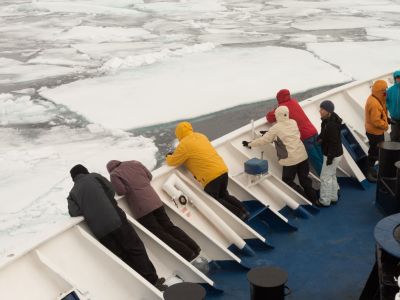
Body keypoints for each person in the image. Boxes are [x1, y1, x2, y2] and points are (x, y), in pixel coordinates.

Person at [67, 164, 167, 291]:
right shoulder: (94, 177)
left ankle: (145, 285)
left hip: (101, 232)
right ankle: (153, 280)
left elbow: (74, 212)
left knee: (123, 256)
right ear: (85, 171)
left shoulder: (72, 193)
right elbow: (111, 190)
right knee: (136, 249)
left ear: (73, 179)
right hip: (116, 220)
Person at [106, 159, 201, 262]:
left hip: (141, 208)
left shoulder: (114, 174)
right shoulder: (134, 163)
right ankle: (195, 247)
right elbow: (149, 176)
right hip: (155, 200)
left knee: (159, 233)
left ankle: (187, 253)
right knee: (169, 226)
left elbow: (121, 191)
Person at [166, 121, 250, 221]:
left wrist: (168, 156)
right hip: (222, 170)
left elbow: (173, 161)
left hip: (210, 177)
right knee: (224, 194)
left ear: (179, 134)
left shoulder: (183, 145)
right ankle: (245, 210)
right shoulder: (201, 136)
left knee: (217, 198)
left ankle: (240, 215)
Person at [242, 106, 318, 204]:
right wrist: (272, 135)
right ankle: (314, 199)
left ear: (277, 115)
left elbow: (264, 140)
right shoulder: (293, 122)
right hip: (302, 156)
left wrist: (249, 144)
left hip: (290, 160)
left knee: (287, 180)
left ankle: (304, 198)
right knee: (305, 180)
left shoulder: (275, 128)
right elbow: (289, 135)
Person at [267, 89, 323, 175]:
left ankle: (327, 184)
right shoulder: (294, 102)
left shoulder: (282, 108)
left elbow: (270, 118)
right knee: (322, 157)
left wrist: (275, 109)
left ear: (279, 99)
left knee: (316, 160)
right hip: (314, 132)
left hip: (305, 136)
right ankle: (333, 179)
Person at [318, 100, 343, 206]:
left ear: (328, 111)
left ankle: (324, 201)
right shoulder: (327, 121)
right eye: (320, 108)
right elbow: (325, 134)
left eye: (322, 109)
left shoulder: (331, 125)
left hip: (332, 154)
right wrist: (320, 138)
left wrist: (329, 157)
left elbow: (334, 142)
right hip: (335, 153)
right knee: (331, 175)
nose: (320, 111)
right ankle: (333, 197)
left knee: (325, 177)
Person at [365, 80, 389, 182]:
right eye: (384, 90)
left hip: (375, 131)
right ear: (380, 91)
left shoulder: (376, 97)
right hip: (375, 132)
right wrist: (386, 125)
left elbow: (381, 112)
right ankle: (369, 172)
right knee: (374, 152)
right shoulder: (374, 103)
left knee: (377, 151)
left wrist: (388, 119)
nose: (386, 92)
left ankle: (371, 170)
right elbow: (376, 121)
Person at [386, 70, 400, 142]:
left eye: (399, 77)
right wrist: (390, 108)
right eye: (397, 77)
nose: (398, 79)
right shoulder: (390, 90)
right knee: (394, 136)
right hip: (394, 118)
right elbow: (386, 101)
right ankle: (394, 151)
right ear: (395, 78)